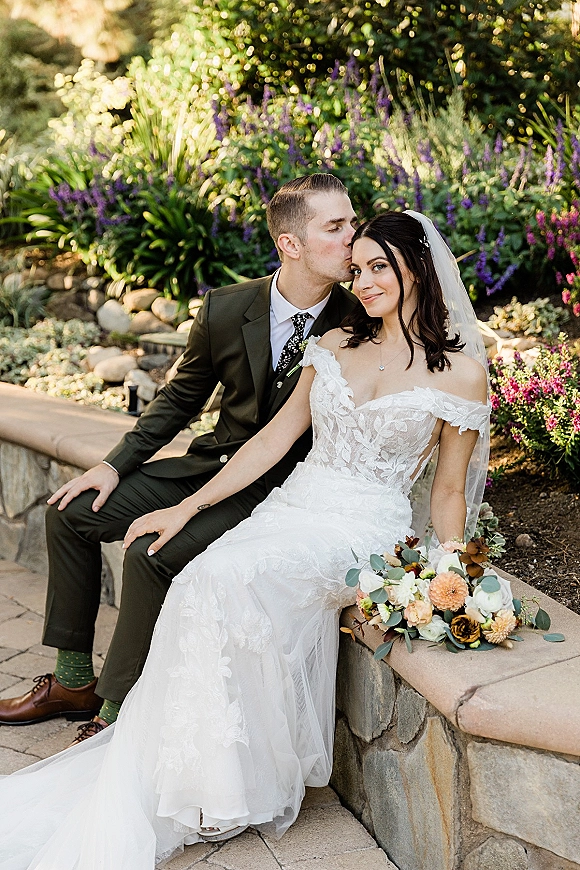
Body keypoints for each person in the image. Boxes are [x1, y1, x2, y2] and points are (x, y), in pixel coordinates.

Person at [0, 211, 490, 869]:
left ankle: (233, 786)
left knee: (234, 581)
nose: (365, 279)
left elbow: (449, 493)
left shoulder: (458, 372)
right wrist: (187, 507)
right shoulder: (339, 341)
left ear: (418, 270)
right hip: (293, 506)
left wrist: (450, 580)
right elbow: (273, 439)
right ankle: (198, 776)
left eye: (381, 267)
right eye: (360, 266)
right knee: (202, 578)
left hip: (363, 528)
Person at [0, 173, 358, 738]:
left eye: (352, 224)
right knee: (70, 512)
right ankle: (71, 681)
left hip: (285, 491)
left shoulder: (361, 320)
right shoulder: (226, 308)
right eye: (335, 227)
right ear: (290, 243)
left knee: (151, 548)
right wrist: (112, 465)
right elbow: (177, 401)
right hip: (210, 465)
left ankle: (118, 708)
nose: (352, 240)